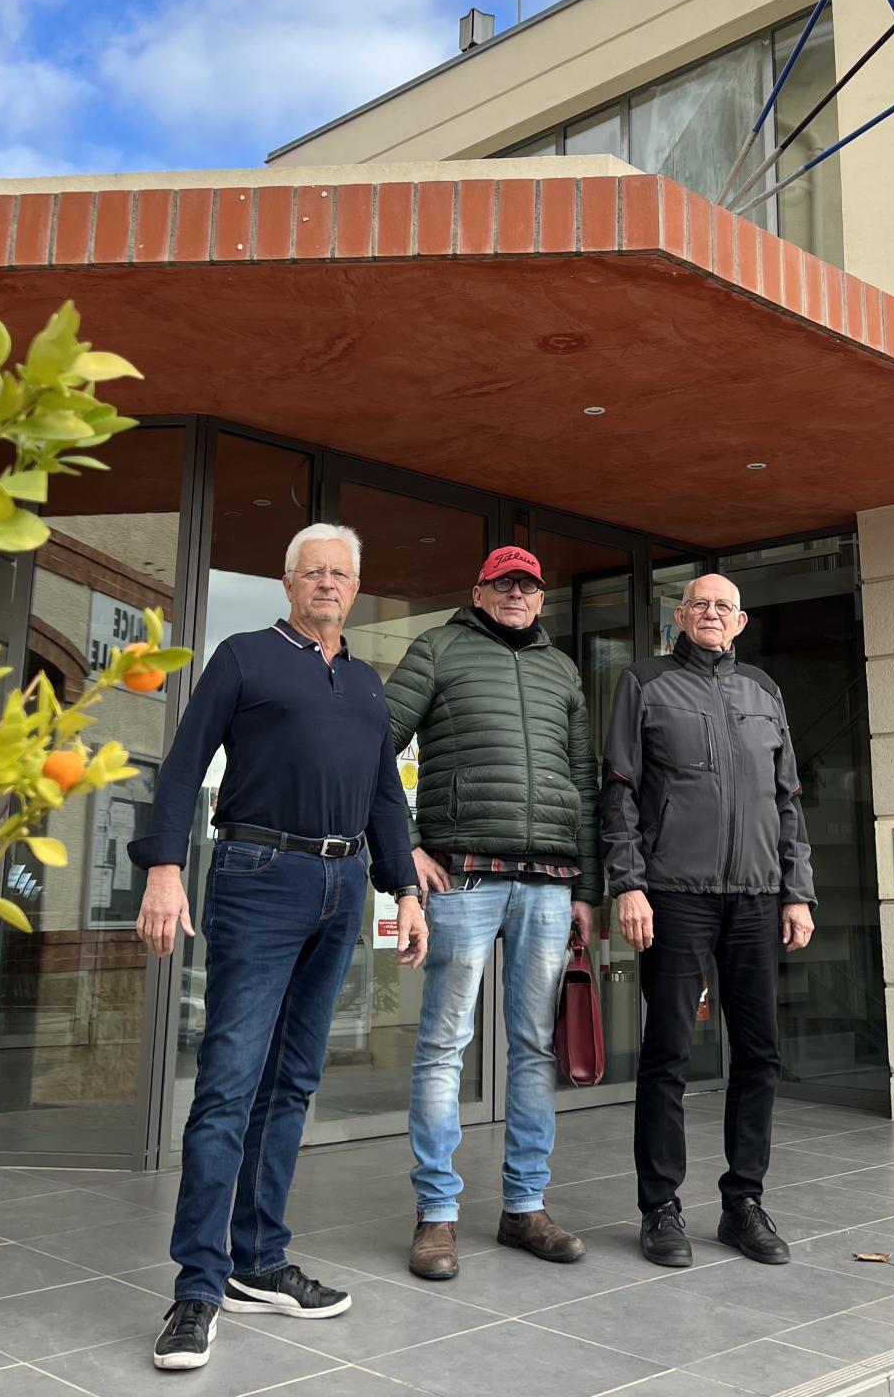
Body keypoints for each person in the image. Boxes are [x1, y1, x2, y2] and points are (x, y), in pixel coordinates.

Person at [129, 524, 428, 1373]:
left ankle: (259, 1258)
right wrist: (162, 870)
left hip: (343, 884)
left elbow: (384, 798)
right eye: (314, 573)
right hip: (258, 873)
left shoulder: (368, 683)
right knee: (229, 1080)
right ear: (287, 583)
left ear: (355, 586)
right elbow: (184, 767)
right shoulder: (243, 658)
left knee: (294, 1079)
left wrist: (404, 889)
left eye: (341, 574)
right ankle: (198, 1285)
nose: (328, 584)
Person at [385, 544, 602, 1281]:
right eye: (504, 582)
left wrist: (586, 889)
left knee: (535, 1048)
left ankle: (525, 1208)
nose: (517, 594)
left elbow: (584, 779)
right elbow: (375, 747)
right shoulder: (437, 648)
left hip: (549, 884)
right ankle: (437, 1215)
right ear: (478, 589)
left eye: (529, 585)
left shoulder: (562, 669)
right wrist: (406, 849)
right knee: (445, 1044)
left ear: (541, 599)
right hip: (465, 879)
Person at [601, 572, 815, 1270]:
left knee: (759, 1055)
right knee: (667, 1054)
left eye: (724, 606)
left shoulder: (762, 692)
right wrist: (628, 884)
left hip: (756, 897)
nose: (712, 614)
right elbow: (621, 790)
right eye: (700, 604)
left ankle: (742, 1204)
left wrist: (797, 890)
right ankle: (660, 1207)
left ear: (740, 621)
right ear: (680, 617)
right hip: (674, 894)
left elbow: (787, 800)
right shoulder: (646, 682)